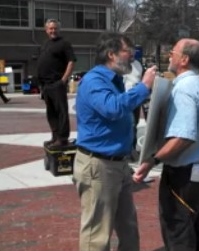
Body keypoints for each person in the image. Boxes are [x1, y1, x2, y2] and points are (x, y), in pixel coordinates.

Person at [73, 32, 157, 251]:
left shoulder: (115, 80)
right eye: (127, 51)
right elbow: (113, 108)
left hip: (118, 164)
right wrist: (144, 87)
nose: (132, 56)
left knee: (128, 226)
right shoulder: (94, 80)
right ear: (111, 54)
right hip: (99, 166)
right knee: (97, 233)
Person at [133, 38, 199, 251]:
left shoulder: (184, 90)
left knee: (178, 232)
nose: (169, 55)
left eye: (173, 52)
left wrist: (153, 160)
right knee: (197, 230)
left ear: (184, 59)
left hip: (182, 177)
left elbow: (184, 136)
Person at [37, 18, 76, 147]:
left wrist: (63, 80)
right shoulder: (45, 44)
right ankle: (55, 136)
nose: (53, 31)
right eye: (50, 28)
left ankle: (63, 138)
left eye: (55, 28)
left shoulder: (64, 44)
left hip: (57, 83)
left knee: (61, 112)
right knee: (51, 112)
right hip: (46, 85)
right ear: (46, 30)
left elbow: (71, 61)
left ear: (58, 29)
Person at [123, 58, 143, 160]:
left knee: (134, 125)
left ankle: (132, 149)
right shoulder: (119, 63)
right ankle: (126, 150)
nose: (132, 53)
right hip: (123, 98)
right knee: (128, 124)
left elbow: (140, 80)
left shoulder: (138, 64)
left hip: (135, 99)